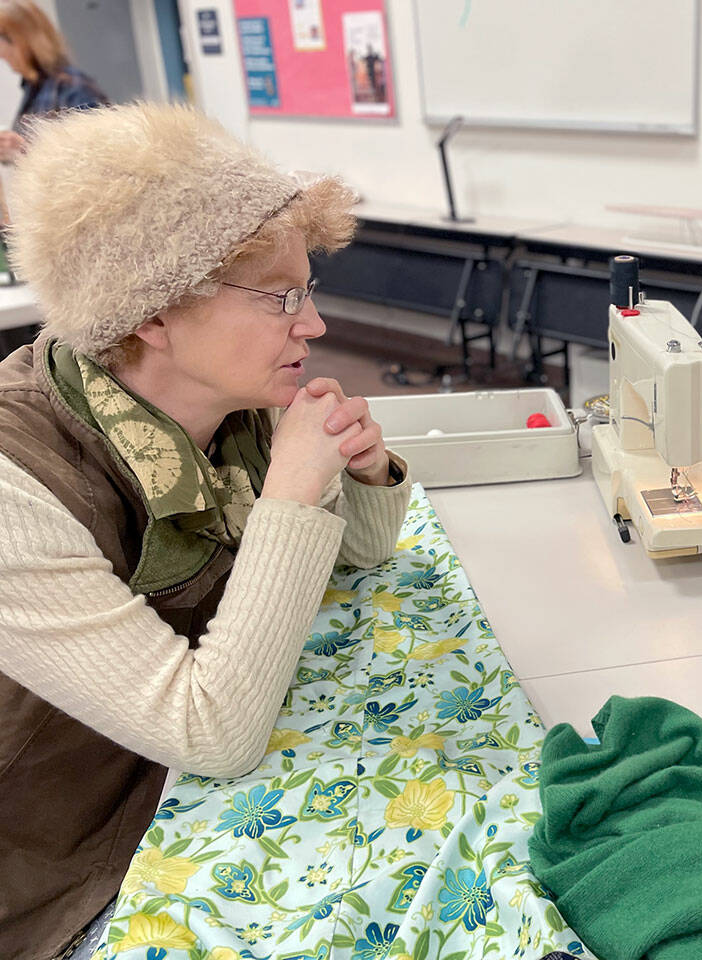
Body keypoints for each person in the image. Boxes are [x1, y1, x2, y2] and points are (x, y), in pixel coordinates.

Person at [0, 102, 411, 958]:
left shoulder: (228, 409)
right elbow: (211, 733)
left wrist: (363, 474)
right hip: (66, 868)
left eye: (309, 290)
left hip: (170, 787)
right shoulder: (19, 486)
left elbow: (363, 559)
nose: (315, 325)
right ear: (149, 314)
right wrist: (294, 498)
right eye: (280, 298)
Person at [0, 0, 107, 163]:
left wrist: (24, 150)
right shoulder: (34, 89)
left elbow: (99, 156)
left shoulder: (73, 88)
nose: (1, 55)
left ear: (20, 42)